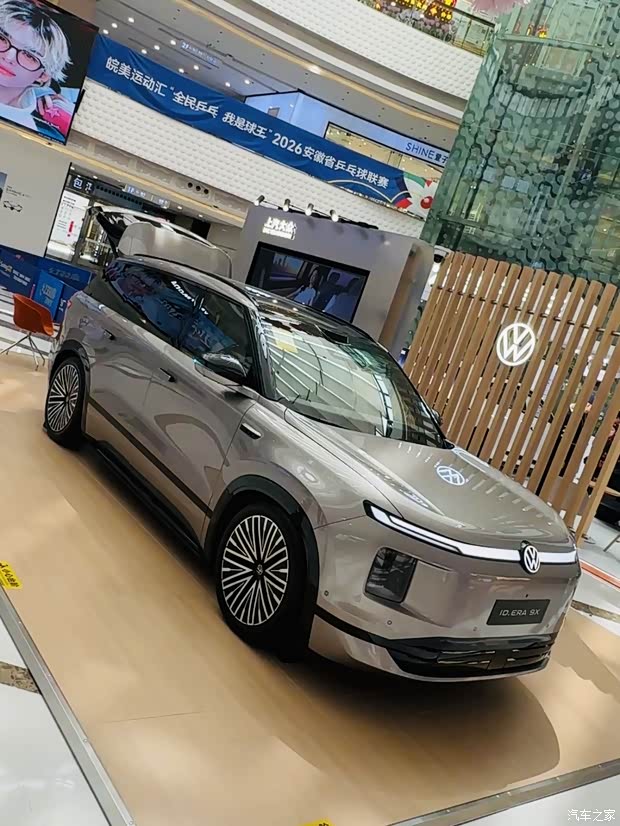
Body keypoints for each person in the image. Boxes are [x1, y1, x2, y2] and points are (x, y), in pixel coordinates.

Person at [0, 0, 73, 140]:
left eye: (29, 56)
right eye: (2, 38)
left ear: (44, 75)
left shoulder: (33, 129)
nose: (8, 57)